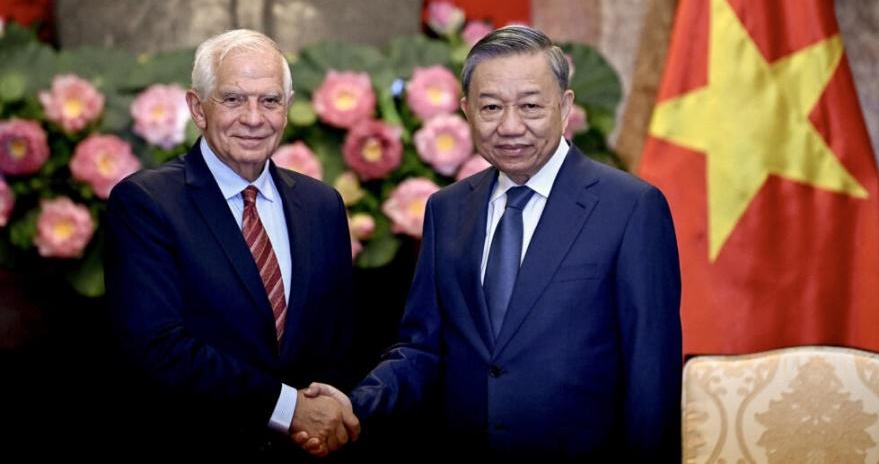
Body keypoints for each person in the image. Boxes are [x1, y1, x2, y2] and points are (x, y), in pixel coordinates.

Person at [300, 25, 682, 460]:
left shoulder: (630, 207)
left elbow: (651, 375)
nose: (510, 126)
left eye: (531, 106)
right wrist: (354, 404)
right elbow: (424, 347)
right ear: (465, 110)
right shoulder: (447, 209)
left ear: (565, 106)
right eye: (491, 107)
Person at [104, 29, 359, 459]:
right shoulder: (146, 203)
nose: (254, 117)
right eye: (234, 99)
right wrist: (289, 408)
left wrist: (329, 414)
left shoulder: (322, 205)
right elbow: (157, 348)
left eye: (270, 100)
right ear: (197, 108)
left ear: (288, 108)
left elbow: (339, 339)